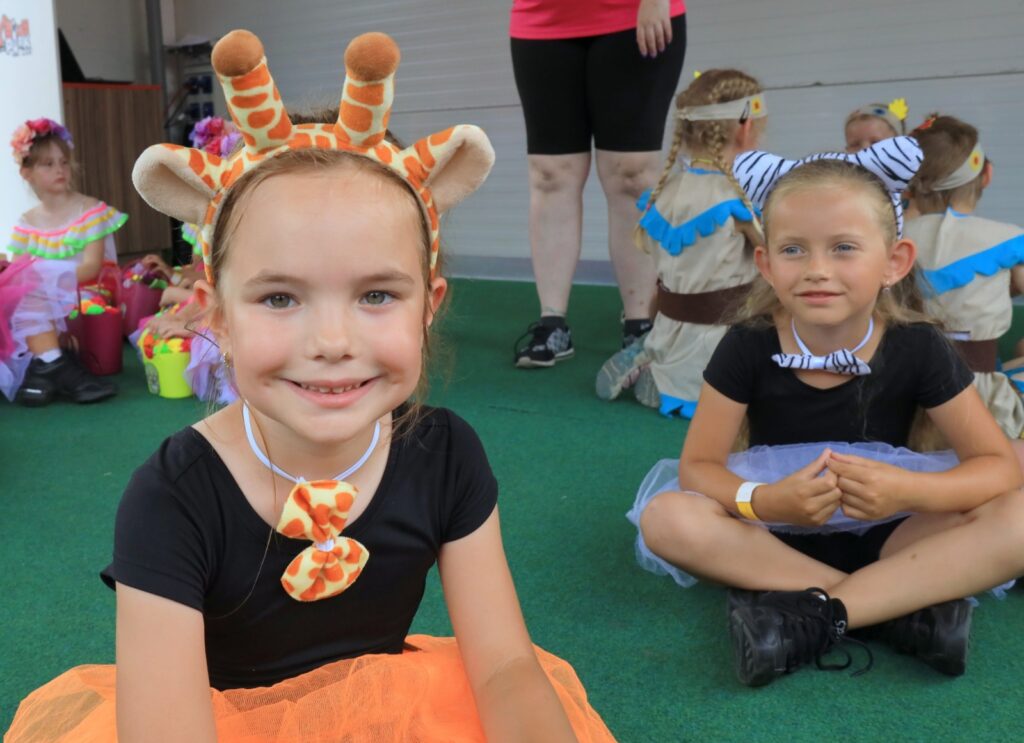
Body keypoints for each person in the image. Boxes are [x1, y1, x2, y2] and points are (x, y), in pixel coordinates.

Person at [5, 30, 614, 743]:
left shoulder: (446, 455)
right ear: (217, 315)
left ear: (429, 305)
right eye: (280, 297)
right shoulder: (172, 497)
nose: (332, 341)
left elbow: (506, 668)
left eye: (377, 295)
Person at [627, 140, 1024, 687]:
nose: (817, 270)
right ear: (766, 264)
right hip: (772, 534)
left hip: (896, 527)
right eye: (793, 249)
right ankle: (893, 608)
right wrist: (765, 500)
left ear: (894, 262)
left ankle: (816, 613)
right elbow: (699, 468)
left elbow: (996, 466)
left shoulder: (920, 346)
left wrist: (907, 492)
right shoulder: (746, 343)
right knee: (666, 519)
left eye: (843, 248)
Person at [510, 0, 687, 367]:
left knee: (632, 174)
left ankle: (640, 322)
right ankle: (552, 323)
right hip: (542, 20)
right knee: (550, 173)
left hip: (632, 15)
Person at [595, 69, 765, 416]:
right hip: (721, 333)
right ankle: (663, 378)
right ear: (746, 127)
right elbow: (774, 258)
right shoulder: (734, 200)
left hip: (669, 323)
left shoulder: (664, 191)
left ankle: (653, 357)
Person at [904, 114, 1024, 439]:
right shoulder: (1008, 239)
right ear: (986, 175)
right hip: (981, 398)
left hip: (905, 395)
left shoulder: (890, 241)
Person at [1, 118, 120, 405]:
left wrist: (47, 281)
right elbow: (19, 277)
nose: (60, 169)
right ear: (26, 173)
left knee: (31, 291)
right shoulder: (26, 221)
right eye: (48, 164)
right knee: (18, 290)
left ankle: (46, 365)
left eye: (64, 162)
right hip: (38, 302)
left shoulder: (90, 209)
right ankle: (51, 364)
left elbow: (92, 267)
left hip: (84, 294)